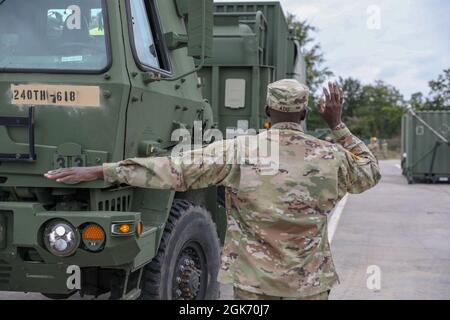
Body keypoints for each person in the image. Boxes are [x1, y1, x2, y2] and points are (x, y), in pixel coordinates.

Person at [45, 80, 381, 300]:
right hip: (311, 285)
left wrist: (102, 170)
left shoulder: (239, 151)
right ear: (307, 112)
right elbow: (370, 171)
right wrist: (337, 126)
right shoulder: (331, 157)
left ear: (267, 111)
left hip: (255, 286)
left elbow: (172, 170)